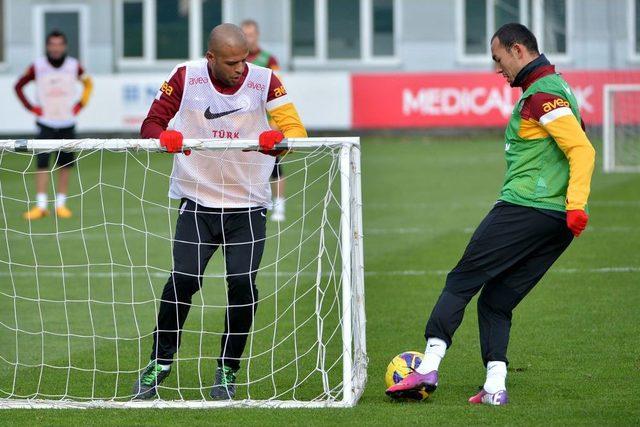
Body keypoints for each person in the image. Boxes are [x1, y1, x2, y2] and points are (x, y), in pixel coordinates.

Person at [386, 23, 595, 405]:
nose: (498, 70)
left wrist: (577, 204)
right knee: (496, 300)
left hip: (526, 208)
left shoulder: (542, 93)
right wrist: (571, 208)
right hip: (555, 224)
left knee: (461, 281)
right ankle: (495, 387)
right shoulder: (557, 87)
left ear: (518, 51)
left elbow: (582, 149)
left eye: (498, 59)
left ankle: (427, 365)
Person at [132, 23, 307, 400]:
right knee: (183, 281)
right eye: (232, 62)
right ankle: (159, 362)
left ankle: (227, 370)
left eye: (244, 60)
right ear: (210, 58)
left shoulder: (265, 79)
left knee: (242, 287)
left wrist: (277, 145)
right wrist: (163, 138)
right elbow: (150, 123)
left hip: (248, 206)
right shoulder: (186, 77)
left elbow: (295, 130)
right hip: (197, 202)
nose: (241, 69)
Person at [14, 30, 93, 220]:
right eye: (52, 44)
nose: (56, 48)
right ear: (48, 46)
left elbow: (88, 84)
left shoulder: (74, 66)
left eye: (59, 44)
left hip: (67, 122)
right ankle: (41, 205)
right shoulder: (38, 66)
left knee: (65, 164)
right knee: (42, 163)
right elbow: (18, 86)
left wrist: (80, 104)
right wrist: (31, 107)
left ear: (64, 46)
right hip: (46, 123)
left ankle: (61, 204)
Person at [241, 19, 287, 222]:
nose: (248, 38)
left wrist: (275, 122)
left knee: (274, 164)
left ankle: (279, 205)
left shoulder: (269, 60)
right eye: (245, 34)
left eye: (251, 34)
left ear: (257, 35)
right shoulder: (235, 59)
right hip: (240, 123)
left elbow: (278, 90)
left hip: (264, 123)